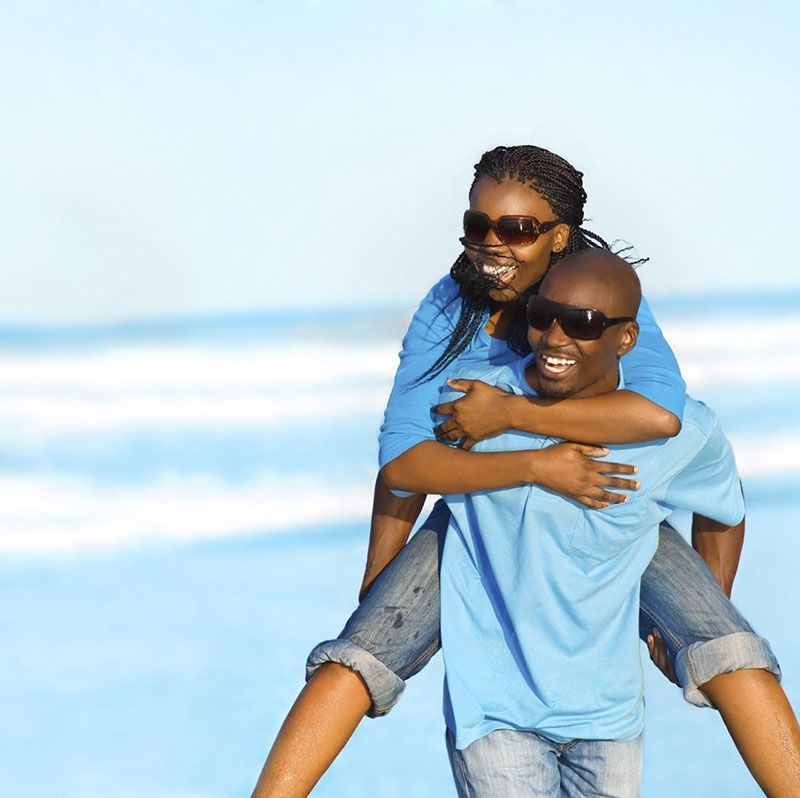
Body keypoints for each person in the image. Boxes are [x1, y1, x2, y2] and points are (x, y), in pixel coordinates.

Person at [252, 146, 799, 797]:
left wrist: (689, 611)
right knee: (360, 653)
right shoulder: (446, 313)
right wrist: (381, 570)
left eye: (515, 228)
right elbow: (403, 460)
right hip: (483, 499)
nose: (491, 243)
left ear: (558, 237)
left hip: (615, 502)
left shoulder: (608, 302)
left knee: (728, 646)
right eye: (478, 224)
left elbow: (661, 423)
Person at [437, 249, 743, 797]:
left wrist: (693, 621)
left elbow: (723, 508)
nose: (555, 338)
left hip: (610, 716)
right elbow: (403, 469)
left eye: (581, 324)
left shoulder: (682, 433)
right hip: (495, 710)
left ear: (625, 339)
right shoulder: (476, 404)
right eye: (541, 315)